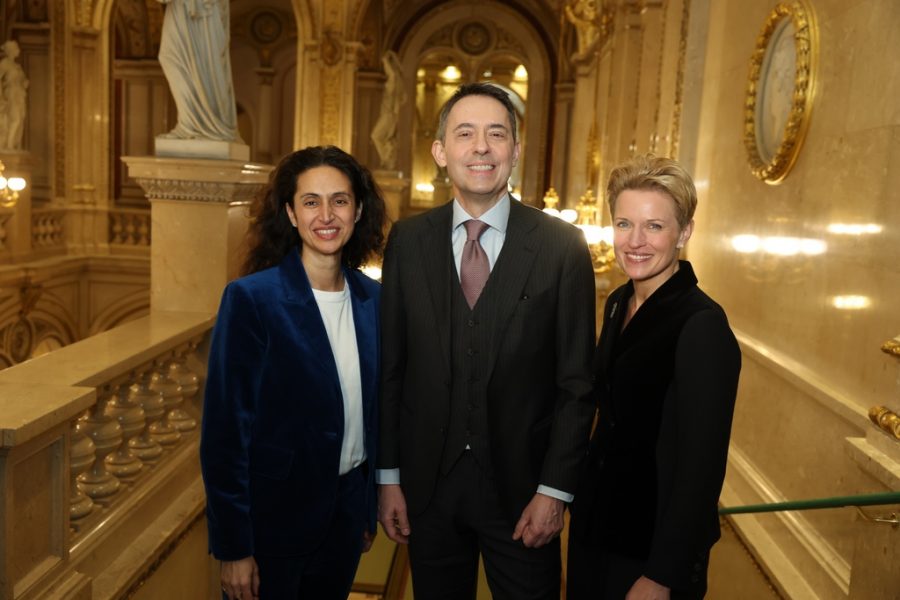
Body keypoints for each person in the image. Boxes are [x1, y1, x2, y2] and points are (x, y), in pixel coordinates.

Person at [377, 82, 596, 599]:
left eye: (496, 134)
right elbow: (392, 369)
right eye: (465, 133)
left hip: (524, 496)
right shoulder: (408, 242)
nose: (481, 147)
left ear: (515, 151)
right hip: (429, 490)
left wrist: (554, 491)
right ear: (441, 151)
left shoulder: (562, 247)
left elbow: (577, 385)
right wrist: (388, 477)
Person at [200, 145, 387, 600]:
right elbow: (226, 433)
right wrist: (234, 547)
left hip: (343, 519)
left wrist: (362, 512)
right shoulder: (251, 300)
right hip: (270, 527)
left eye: (340, 200)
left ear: (358, 210)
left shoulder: (374, 300)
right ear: (290, 212)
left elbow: (375, 412)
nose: (326, 215)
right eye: (311, 201)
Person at [567, 154, 741, 600]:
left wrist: (662, 573)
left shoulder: (701, 324)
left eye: (654, 226)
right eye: (624, 224)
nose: (635, 241)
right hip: (596, 531)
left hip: (649, 552)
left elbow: (702, 467)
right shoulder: (618, 300)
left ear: (685, 232)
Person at [156, 0, 240, 141]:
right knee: (171, 58)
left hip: (200, 13)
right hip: (186, 10)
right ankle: (190, 123)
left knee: (197, 63)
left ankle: (194, 125)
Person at [370, 50, 407, 170]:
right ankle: (387, 157)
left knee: (375, 135)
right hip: (387, 114)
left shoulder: (393, 82)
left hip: (388, 115)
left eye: (386, 67)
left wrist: (385, 60)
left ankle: (387, 157)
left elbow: (392, 74)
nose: (385, 69)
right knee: (380, 137)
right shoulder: (394, 83)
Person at [0, 40, 28, 150]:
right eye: (16, 48)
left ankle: (14, 145)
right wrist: (1, 97)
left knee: (20, 118)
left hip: (19, 94)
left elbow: (22, 80)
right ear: (10, 50)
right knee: (14, 118)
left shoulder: (17, 66)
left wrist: (24, 83)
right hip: (10, 94)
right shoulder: (4, 64)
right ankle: (9, 144)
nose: (18, 50)